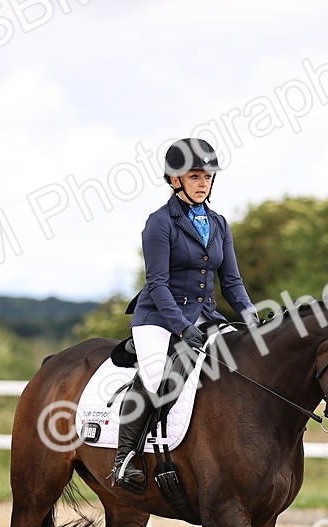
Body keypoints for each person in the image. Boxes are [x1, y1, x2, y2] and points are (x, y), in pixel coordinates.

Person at [111, 138, 258, 493]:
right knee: (155, 375)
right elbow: (158, 284)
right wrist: (181, 327)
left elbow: (232, 282)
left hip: (205, 315)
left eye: (207, 176)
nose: (203, 182)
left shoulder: (219, 223)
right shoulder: (159, 223)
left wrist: (252, 317)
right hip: (158, 317)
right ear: (175, 179)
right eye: (195, 176)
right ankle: (125, 458)